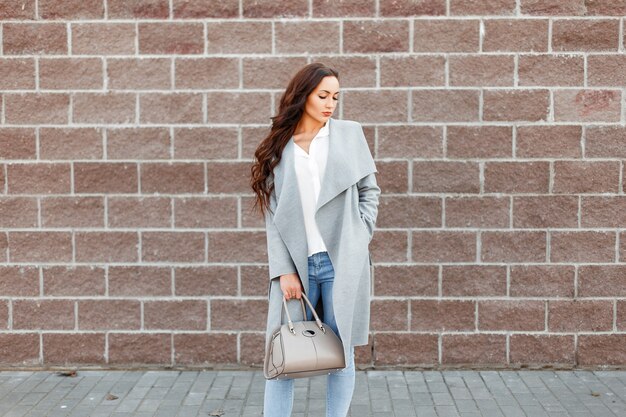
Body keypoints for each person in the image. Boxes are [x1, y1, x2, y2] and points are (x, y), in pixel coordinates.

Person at [250, 62, 381, 417]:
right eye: (323, 95)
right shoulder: (281, 146)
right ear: (303, 95)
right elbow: (273, 216)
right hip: (298, 267)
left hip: (342, 261)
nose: (330, 104)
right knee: (282, 356)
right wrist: (283, 271)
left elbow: (370, 191)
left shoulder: (350, 134)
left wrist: (360, 232)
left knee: (342, 356)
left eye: (335, 97)